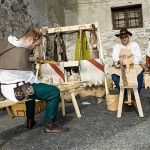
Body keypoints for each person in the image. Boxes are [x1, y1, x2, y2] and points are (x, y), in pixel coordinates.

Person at [0, 28, 69, 134]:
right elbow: (31, 79)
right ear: (31, 40)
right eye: (36, 44)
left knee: (30, 90)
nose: (35, 47)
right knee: (53, 91)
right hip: (16, 90)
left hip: (5, 86)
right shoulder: (21, 53)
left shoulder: (7, 43)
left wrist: (31, 59)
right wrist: (44, 84)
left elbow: (11, 60)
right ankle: (49, 126)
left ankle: (30, 121)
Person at [111, 27, 144, 107]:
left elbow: (139, 58)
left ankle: (136, 96)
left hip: (133, 66)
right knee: (114, 76)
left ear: (128, 36)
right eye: (122, 37)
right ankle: (125, 95)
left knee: (140, 74)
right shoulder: (117, 46)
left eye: (125, 37)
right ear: (120, 38)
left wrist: (129, 61)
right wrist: (119, 61)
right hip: (121, 66)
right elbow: (114, 57)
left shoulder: (135, 45)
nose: (124, 39)